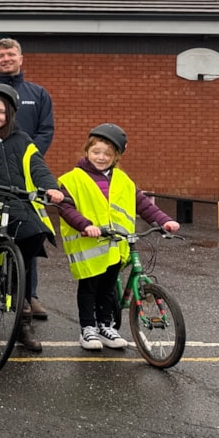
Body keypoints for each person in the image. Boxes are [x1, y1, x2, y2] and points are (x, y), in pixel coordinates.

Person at [55, 123, 181, 351]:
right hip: (89, 245)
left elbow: (142, 204)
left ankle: (106, 326)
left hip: (116, 244)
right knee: (89, 288)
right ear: (86, 151)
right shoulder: (72, 179)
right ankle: (87, 329)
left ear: (116, 157)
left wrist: (164, 221)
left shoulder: (123, 180)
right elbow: (66, 207)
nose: (101, 157)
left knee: (107, 288)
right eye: (96, 152)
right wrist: (85, 225)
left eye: (107, 154)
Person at [0, 83, 64, 352]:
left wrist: (50, 187)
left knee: (35, 236)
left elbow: (37, 166)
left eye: (0, 111)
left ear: (11, 115)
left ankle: (22, 312)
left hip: (21, 203)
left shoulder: (23, 141)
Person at [0, 38, 55, 321]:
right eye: (0, 55)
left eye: (11, 53)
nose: (6, 58)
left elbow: (45, 131)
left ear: (21, 57)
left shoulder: (37, 93)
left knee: (28, 240)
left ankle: (29, 296)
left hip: (24, 178)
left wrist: (25, 159)